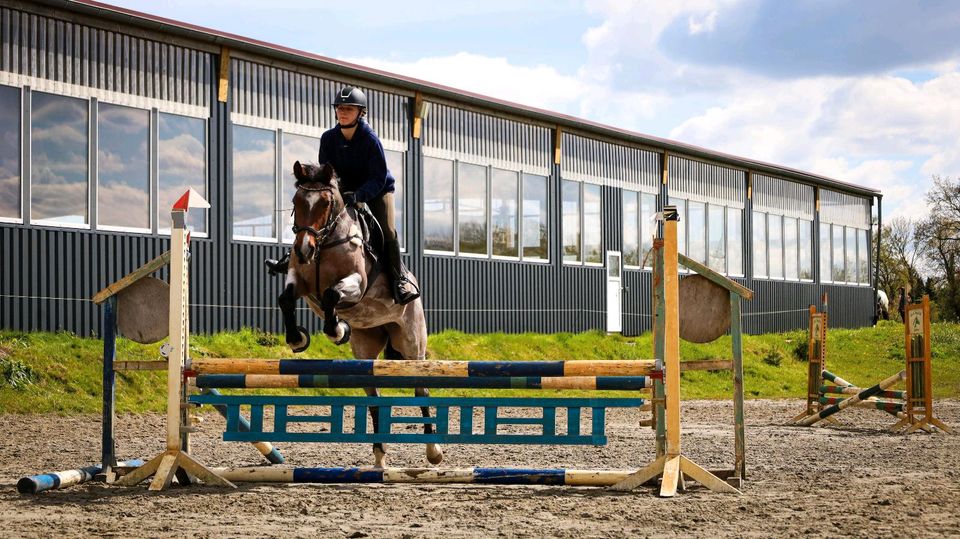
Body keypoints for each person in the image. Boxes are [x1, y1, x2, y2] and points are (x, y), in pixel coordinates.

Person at [265, 86, 420, 305]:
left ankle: (399, 278)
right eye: (339, 107)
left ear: (361, 112)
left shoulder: (370, 140)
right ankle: (292, 258)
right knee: (314, 217)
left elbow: (377, 177)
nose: (343, 112)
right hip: (341, 188)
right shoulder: (328, 138)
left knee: (386, 230)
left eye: (349, 108)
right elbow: (324, 173)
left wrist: (358, 196)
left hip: (376, 189)